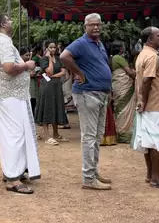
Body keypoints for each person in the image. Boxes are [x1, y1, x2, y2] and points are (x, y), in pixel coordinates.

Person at [60, 13, 113, 191]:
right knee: (89, 138)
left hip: (100, 94)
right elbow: (64, 56)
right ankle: (88, 178)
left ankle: (93, 171)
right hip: (87, 93)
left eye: (98, 24)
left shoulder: (99, 44)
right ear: (85, 27)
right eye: (92, 25)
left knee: (97, 137)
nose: (96, 27)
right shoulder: (81, 43)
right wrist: (80, 74)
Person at [0, 14, 40, 195]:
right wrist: (27, 65)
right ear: (3, 24)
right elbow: (9, 68)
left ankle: (12, 171)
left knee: (13, 134)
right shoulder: (3, 43)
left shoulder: (2, 41)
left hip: (12, 94)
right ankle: (12, 179)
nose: (12, 22)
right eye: (9, 20)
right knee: (15, 136)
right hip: (10, 95)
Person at [132, 27, 159, 190]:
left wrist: (142, 100)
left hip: (150, 104)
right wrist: (143, 100)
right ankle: (156, 178)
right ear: (150, 40)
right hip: (156, 104)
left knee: (149, 140)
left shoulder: (143, 54)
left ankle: (150, 174)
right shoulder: (151, 56)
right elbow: (147, 80)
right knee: (157, 141)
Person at [36, 40, 69, 145]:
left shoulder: (59, 59)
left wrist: (54, 76)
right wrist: (50, 59)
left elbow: (63, 72)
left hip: (56, 86)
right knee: (46, 108)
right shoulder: (44, 59)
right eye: (50, 47)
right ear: (46, 48)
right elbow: (49, 71)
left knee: (55, 108)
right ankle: (47, 136)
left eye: (54, 47)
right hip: (47, 87)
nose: (53, 49)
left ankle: (56, 134)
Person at [110, 43, 136, 143]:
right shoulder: (118, 58)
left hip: (117, 86)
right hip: (124, 86)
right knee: (126, 109)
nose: (123, 48)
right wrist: (136, 73)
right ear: (120, 48)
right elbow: (129, 72)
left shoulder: (111, 58)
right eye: (122, 47)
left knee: (120, 109)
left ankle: (120, 132)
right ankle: (125, 134)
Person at [26, 47, 41, 120]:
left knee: (34, 101)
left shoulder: (33, 63)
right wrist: (30, 74)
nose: (29, 57)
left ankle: (33, 116)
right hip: (28, 86)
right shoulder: (21, 64)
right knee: (30, 101)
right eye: (27, 55)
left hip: (33, 85)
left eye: (29, 55)